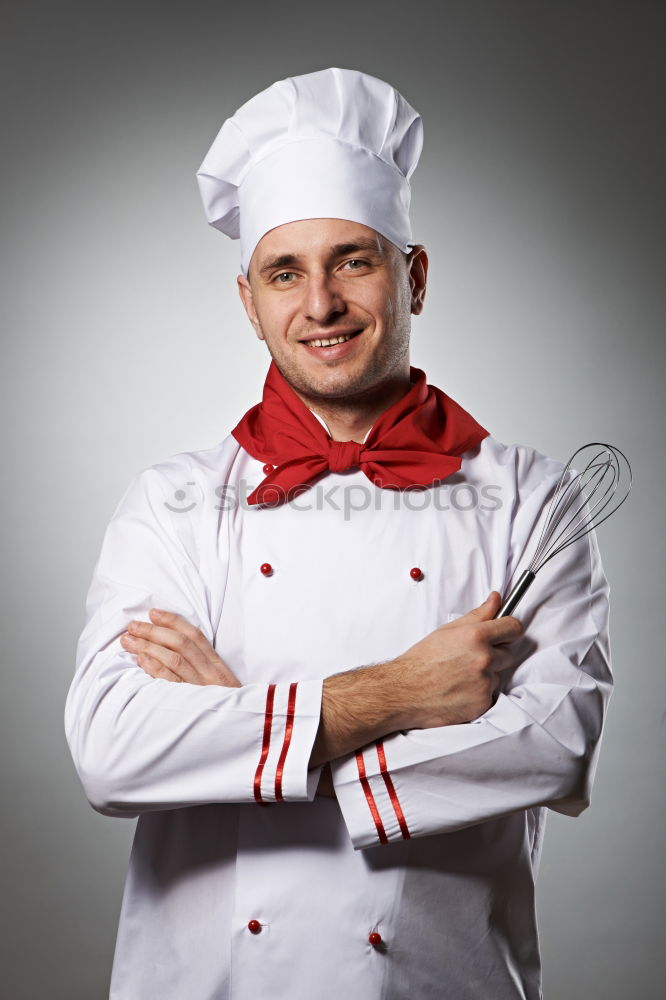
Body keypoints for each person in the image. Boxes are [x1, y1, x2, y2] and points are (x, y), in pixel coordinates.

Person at [65, 68, 612, 1000]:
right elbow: (113, 750)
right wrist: (405, 691)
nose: (319, 304)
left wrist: (243, 735)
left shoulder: (530, 497)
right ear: (251, 302)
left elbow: (554, 744)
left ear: (417, 276)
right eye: (286, 272)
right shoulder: (174, 501)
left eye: (353, 261)